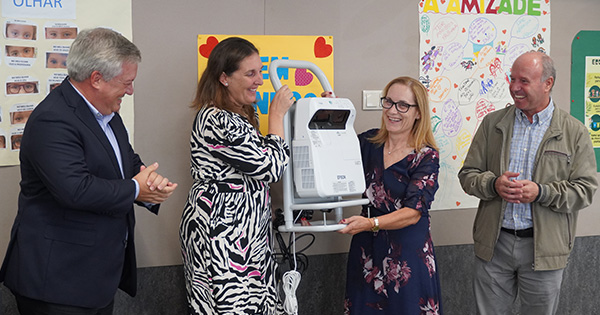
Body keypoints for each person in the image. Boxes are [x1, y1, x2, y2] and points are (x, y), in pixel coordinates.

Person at [0, 27, 178, 315]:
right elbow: (75, 189)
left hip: (94, 278)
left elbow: (125, 161)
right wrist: (135, 189)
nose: (131, 91)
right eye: (127, 82)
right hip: (57, 282)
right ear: (96, 79)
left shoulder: (107, 112)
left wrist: (149, 183)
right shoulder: (52, 120)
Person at [458, 51, 598, 314]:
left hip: (544, 251)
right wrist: (493, 185)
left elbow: (585, 190)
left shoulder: (574, 131)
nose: (514, 87)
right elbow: (468, 175)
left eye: (523, 81)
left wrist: (542, 192)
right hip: (494, 246)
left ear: (548, 83)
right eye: (512, 79)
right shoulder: (492, 124)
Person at [180, 37, 294, 314]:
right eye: (250, 73)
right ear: (224, 78)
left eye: (260, 72)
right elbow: (270, 167)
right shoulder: (216, 119)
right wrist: (276, 116)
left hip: (246, 236)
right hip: (223, 237)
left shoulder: (240, 115)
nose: (259, 81)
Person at [336, 76, 443, 314]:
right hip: (367, 250)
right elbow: (335, 153)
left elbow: (413, 213)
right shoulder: (367, 142)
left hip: (407, 254)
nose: (393, 111)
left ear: (418, 113)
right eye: (389, 102)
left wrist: (370, 223)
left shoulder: (425, 156)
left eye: (403, 105)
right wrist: (332, 113)